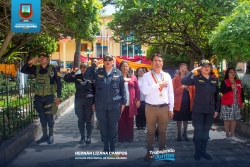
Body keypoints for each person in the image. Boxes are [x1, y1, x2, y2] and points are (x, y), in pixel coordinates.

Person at [181, 59, 220, 161]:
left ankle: (203, 151)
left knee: (206, 133)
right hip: (198, 110)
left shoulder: (214, 80)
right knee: (198, 132)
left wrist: (216, 110)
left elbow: (217, 97)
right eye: (204, 66)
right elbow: (183, 81)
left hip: (210, 110)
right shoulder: (196, 78)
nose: (207, 68)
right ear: (200, 68)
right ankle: (197, 151)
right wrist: (193, 71)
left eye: (208, 66)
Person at [21, 52, 61, 144]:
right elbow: (23, 70)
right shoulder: (36, 68)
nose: (42, 58)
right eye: (40, 57)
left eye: (44, 57)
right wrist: (29, 62)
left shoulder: (53, 69)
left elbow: (59, 83)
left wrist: (58, 97)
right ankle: (44, 136)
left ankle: (51, 135)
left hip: (49, 97)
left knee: (49, 116)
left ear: (47, 59)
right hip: (39, 97)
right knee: (42, 116)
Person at [141, 53, 174, 162]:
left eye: (159, 61)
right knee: (150, 131)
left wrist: (171, 108)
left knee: (163, 131)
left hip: (164, 108)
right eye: (155, 60)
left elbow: (171, 93)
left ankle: (162, 152)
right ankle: (149, 153)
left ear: (162, 63)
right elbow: (144, 91)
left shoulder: (167, 76)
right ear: (152, 62)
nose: (157, 63)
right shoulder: (146, 76)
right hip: (150, 108)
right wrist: (158, 85)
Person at [93, 54, 126, 152]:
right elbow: (87, 77)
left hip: (114, 105)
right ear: (103, 61)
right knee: (103, 126)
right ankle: (105, 146)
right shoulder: (98, 72)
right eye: (105, 60)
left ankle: (112, 146)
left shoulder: (118, 73)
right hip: (100, 105)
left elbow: (122, 89)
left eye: (110, 60)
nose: (107, 61)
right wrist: (94, 65)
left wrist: (123, 103)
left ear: (113, 62)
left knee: (113, 126)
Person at [63, 62, 95, 144]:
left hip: (89, 101)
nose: (84, 69)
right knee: (80, 120)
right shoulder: (77, 77)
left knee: (89, 120)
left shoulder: (92, 77)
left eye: (85, 67)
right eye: (82, 67)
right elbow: (66, 79)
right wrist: (73, 72)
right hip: (79, 101)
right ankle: (82, 137)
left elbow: (95, 91)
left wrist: (94, 103)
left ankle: (88, 136)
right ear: (80, 69)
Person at [118, 61, 140, 142]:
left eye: (126, 66)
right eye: (123, 66)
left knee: (130, 121)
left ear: (129, 67)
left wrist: (138, 100)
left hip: (131, 103)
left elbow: (137, 89)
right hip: (120, 103)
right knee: (121, 121)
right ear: (120, 67)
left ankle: (129, 137)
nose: (125, 68)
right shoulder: (117, 77)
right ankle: (122, 138)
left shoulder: (133, 77)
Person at [220, 67, 244, 140]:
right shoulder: (225, 81)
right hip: (227, 103)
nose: (233, 73)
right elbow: (222, 90)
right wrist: (231, 87)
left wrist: (242, 101)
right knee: (227, 119)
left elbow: (242, 93)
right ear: (228, 73)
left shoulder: (239, 82)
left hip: (236, 103)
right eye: (231, 72)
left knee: (234, 119)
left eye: (233, 72)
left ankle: (232, 134)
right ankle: (227, 134)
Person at [172, 63, 195, 141]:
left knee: (186, 119)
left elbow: (193, 91)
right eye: (182, 68)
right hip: (179, 102)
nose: (183, 69)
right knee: (179, 119)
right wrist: (182, 87)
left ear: (187, 70)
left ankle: (185, 133)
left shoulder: (190, 80)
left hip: (188, 101)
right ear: (179, 69)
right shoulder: (175, 79)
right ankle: (179, 134)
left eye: (185, 68)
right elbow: (173, 91)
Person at [91, 58, 100, 130]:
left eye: (95, 61)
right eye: (92, 61)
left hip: (98, 93)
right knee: (90, 109)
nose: (94, 62)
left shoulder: (100, 71)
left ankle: (98, 122)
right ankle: (91, 123)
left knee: (98, 109)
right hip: (90, 92)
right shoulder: (88, 70)